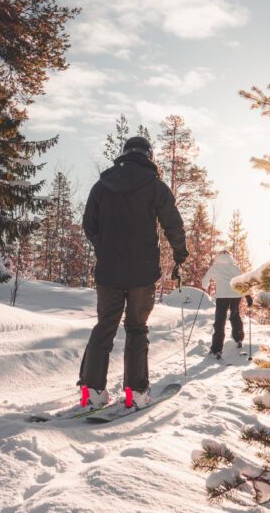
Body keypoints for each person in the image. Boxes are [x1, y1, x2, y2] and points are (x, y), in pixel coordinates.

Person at [79, 136, 188, 410]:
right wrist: (179, 255)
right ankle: (135, 392)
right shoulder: (154, 186)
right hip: (142, 274)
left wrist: (104, 247)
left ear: (124, 154)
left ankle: (91, 391)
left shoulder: (102, 185)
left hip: (108, 272)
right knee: (137, 329)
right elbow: (173, 224)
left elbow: (88, 224)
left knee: (105, 326)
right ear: (148, 156)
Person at [201, 251, 252, 359]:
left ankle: (216, 349)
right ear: (230, 257)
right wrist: (247, 295)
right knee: (234, 316)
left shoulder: (215, 267)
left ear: (218, 257)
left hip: (222, 296)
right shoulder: (235, 267)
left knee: (220, 321)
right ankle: (238, 338)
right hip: (235, 296)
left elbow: (205, 282)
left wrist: (205, 286)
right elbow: (242, 281)